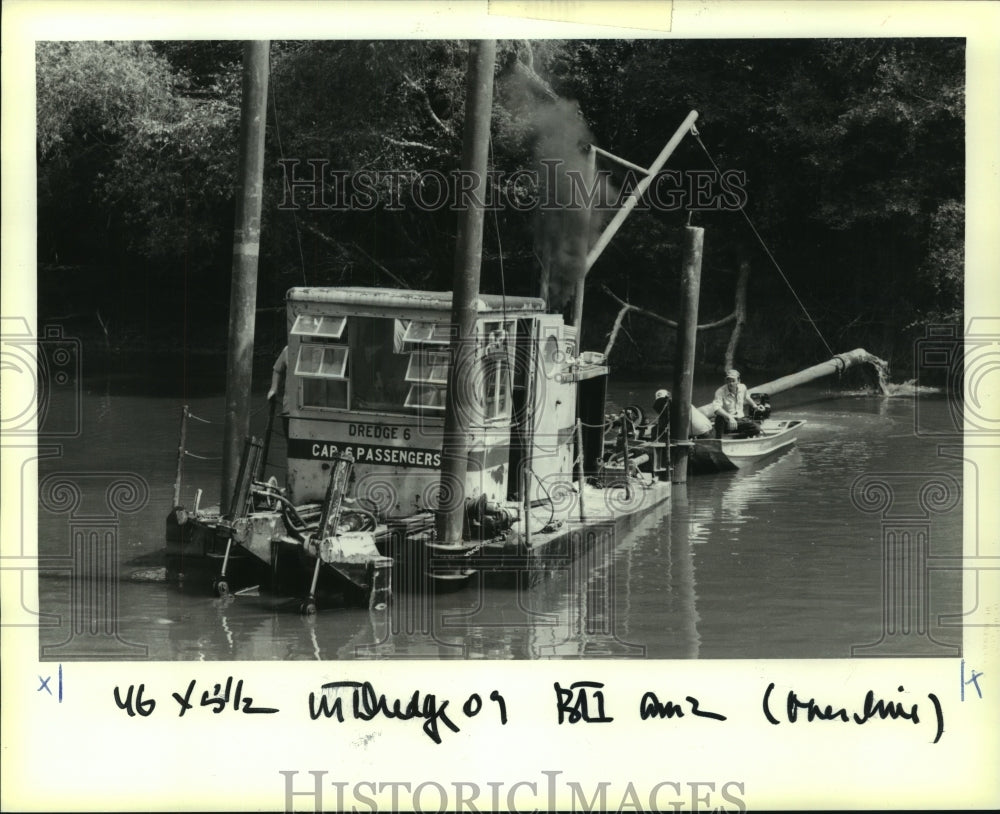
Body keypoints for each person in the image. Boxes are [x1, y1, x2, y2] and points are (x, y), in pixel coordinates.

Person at [711, 369, 763, 439]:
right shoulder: (720, 391)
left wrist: (755, 406)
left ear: (738, 381)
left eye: (733, 381)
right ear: (726, 381)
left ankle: (736, 438)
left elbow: (746, 397)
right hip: (726, 421)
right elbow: (716, 409)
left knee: (757, 428)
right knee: (719, 418)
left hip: (739, 420)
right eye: (728, 381)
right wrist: (729, 417)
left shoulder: (743, 387)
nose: (731, 383)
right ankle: (719, 439)